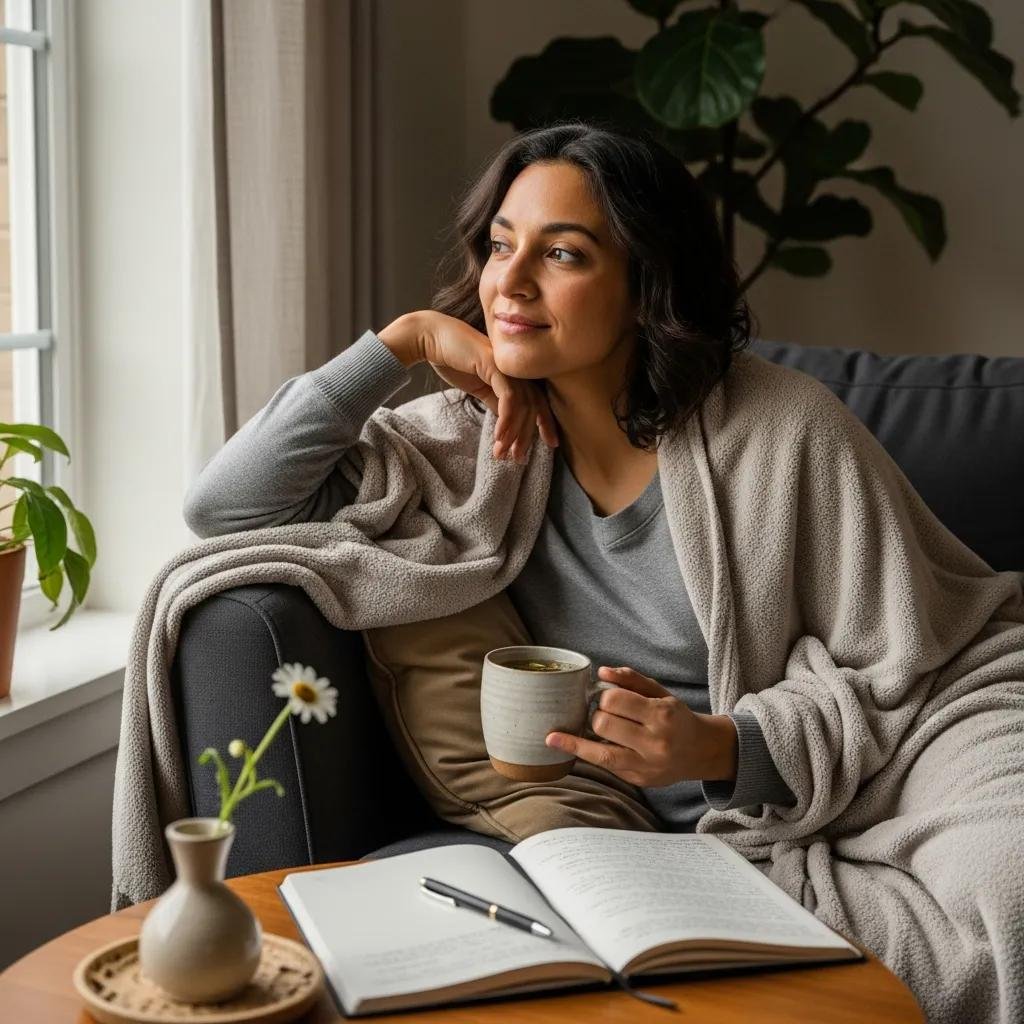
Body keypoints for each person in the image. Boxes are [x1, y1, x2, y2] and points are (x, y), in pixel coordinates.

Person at [183, 119, 797, 831]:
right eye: (502, 246)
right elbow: (224, 507)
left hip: (777, 817)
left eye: (563, 253)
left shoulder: (777, 433)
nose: (511, 280)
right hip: (597, 835)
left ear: (646, 285)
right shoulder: (464, 448)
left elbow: (904, 669)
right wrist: (401, 341)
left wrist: (722, 747)